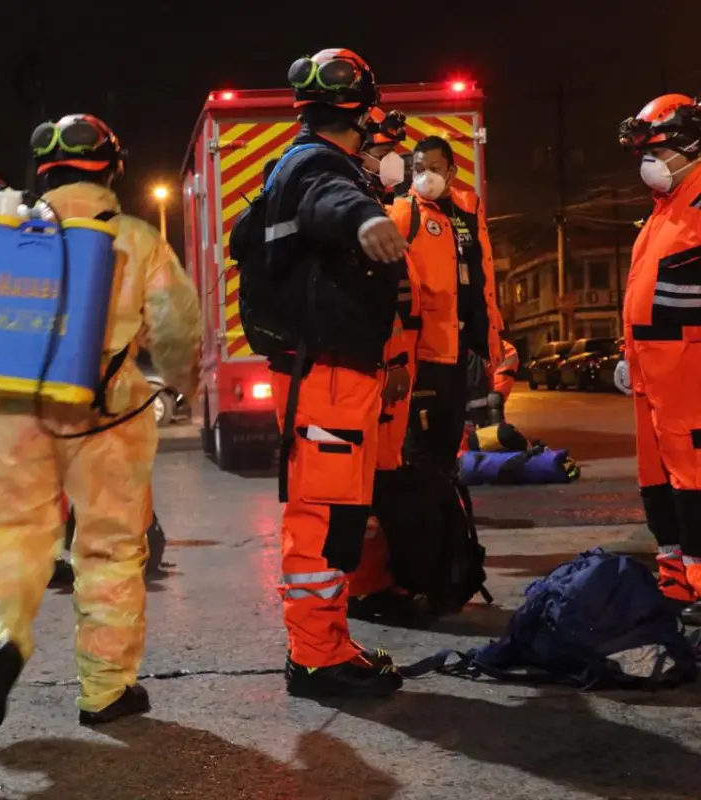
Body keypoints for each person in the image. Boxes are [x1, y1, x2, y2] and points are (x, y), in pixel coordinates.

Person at [0, 113, 201, 729]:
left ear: (44, 171)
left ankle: (1, 639)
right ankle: (105, 691)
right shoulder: (134, 237)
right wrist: (184, 382)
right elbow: (176, 326)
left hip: (8, 405)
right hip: (103, 411)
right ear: (114, 168)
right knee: (107, 547)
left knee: (12, 537)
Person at [265, 49, 408, 699]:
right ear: (362, 111)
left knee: (339, 517)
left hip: (334, 372)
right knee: (322, 520)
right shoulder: (314, 165)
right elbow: (328, 200)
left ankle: (327, 643)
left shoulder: (317, 164)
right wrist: (365, 215)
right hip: (325, 374)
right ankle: (316, 657)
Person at [617, 94, 701, 621]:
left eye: (661, 149)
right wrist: (631, 354)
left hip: (690, 366)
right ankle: (675, 572)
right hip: (654, 369)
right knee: (657, 476)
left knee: (694, 476)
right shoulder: (662, 212)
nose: (651, 164)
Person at [347, 106, 426, 621]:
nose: (392, 159)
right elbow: (377, 303)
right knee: (365, 484)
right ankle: (365, 588)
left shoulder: (372, 204)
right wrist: (394, 360)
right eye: (381, 149)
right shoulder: (355, 209)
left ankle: (375, 582)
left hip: (385, 366)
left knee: (381, 477)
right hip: (370, 369)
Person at [390, 135, 504, 475]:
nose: (425, 176)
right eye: (419, 168)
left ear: (452, 171)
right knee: (422, 447)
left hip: (465, 351)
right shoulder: (402, 212)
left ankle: (443, 511)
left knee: (452, 442)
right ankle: (424, 516)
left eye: (434, 169)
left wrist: (489, 345)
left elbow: (482, 275)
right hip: (425, 353)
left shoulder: (469, 208)